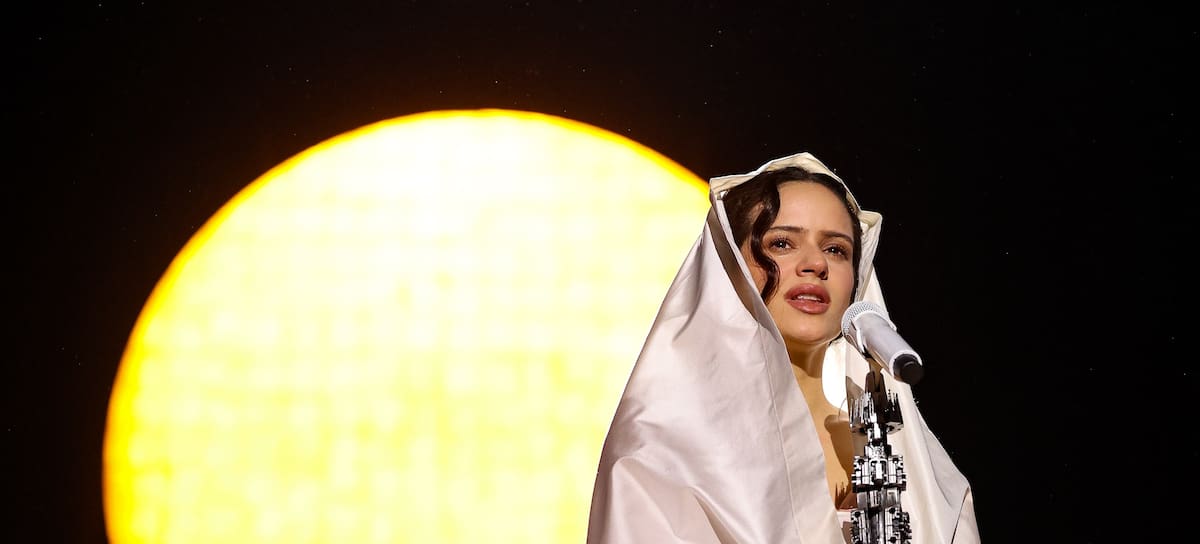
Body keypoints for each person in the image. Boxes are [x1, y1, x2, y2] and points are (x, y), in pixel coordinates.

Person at [585, 152, 979, 543]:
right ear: (731, 267)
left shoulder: (905, 454)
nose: (815, 265)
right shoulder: (663, 444)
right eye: (782, 243)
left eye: (835, 249)